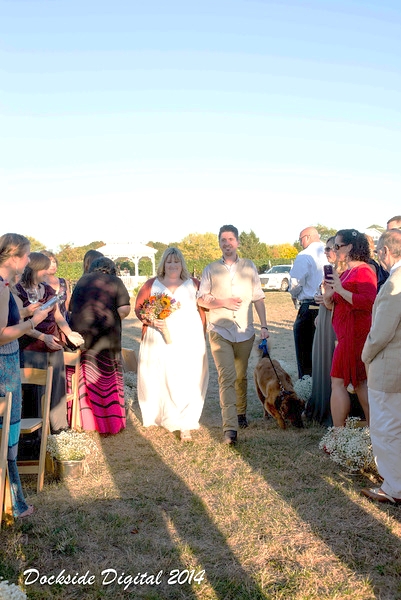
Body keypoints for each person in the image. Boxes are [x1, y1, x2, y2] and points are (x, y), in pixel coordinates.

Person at [197, 225, 269, 445]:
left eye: (230, 239)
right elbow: (201, 298)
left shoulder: (249, 267)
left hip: (245, 331)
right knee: (226, 377)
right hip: (220, 330)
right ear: (219, 243)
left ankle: (240, 412)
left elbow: (258, 297)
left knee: (240, 375)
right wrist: (221, 302)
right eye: (223, 240)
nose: (227, 243)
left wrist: (264, 326)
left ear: (237, 242)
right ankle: (230, 428)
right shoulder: (210, 269)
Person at [0, 234, 51, 518]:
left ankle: (14, 500)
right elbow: (1, 334)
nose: (29, 261)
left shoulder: (4, 287)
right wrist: (33, 322)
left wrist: (24, 311)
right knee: (8, 432)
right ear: (14, 256)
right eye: (27, 255)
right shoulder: (2, 288)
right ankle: (15, 503)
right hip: (5, 364)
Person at [135, 248, 209, 441]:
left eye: (176, 262)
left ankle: (185, 421)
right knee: (163, 376)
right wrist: (152, 321)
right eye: (169, 262)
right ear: (163, 264)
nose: (173, 265)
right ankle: (164, 414)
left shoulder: (194, 284)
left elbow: (206, 306)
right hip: (158, 337)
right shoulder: (152, 284)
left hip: (189, 338)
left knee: (187, 376)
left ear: (182, 264)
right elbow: (139, 310)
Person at [13, 253, 84, 433]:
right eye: (45, 267)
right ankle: (37, 436)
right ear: (34, 269)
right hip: (30, 348)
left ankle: (59, 430)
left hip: (53, 345)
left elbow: (58, 316)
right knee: (35, 392)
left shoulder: (47, 289)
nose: (48, 271)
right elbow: (17, 323)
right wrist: (42, 337)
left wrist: (69, 333)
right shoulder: (16, 291)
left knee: (57, 389)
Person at [361, 229, 401, 504]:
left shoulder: (394, 283)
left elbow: (381, 332)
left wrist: (365, 354)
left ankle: (394, 488)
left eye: (378, 252)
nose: (377, 257)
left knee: (386, 429)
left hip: (389, 369)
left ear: (386, 252)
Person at [68, 257, 130, 434]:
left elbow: (72, 307)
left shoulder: (82, 280)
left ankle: (87, 423)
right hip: (105, 336)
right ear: (111, 269)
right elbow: (124, 309)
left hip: (80, 335)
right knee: (106, 380)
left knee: (85, 379)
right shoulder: (115, 281)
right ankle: (109, 424)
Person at [323, 229, 377, 427]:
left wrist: (339, 289)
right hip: (345, 333)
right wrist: (328, 296)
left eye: (338, 246)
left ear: (351, 247)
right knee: (360, 382)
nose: (334, 250)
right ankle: (374, 430)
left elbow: (369, 302)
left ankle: (339, 433)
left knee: (340, 381)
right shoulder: (346, 272)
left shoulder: (364, 270)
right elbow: (336, 305)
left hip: (355, 334)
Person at [307, 237, 342, 426]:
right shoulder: (331, 270)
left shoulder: (342, 272)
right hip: (325, 316)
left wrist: (327, 302)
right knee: (320, 359)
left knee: (331, 361)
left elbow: (340, 300)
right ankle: (320, 404)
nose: (327, 252)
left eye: (329, 248)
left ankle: (332, 410)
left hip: (334, 319)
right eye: (325, 249)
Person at [289, 226, 327, 379]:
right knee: (325, 354)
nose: (300, 243)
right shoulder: (329, 251)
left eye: (300, 240)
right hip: (328, 306)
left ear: (307, 237)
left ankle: (307, 391)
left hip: (310, 306)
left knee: (305, 355)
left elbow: (295, 283)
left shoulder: (304, 255)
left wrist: (294, 295)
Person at [41, 250, 71, 319]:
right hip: (46, 324)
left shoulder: (63, 282)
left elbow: (67, 303)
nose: (53, 265)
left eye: (54, 262)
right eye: (49, 262)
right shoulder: (40, 284)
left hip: (64, 322)